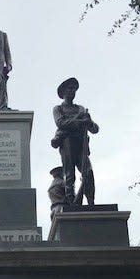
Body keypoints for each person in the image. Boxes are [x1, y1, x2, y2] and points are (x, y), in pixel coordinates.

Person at [51, 77, 99, 205]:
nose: (72, 91)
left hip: (81, 144)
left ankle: (90, 201)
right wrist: (80, 122)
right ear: (63, 92)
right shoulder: (58, 109)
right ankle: (71, 201)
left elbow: (95, 129)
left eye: (74, 89)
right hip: (67, 143)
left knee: (88, 173)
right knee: (69, 174)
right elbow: (61, 123)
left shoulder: (81, 109)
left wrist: (89, 122)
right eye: (70, 88)